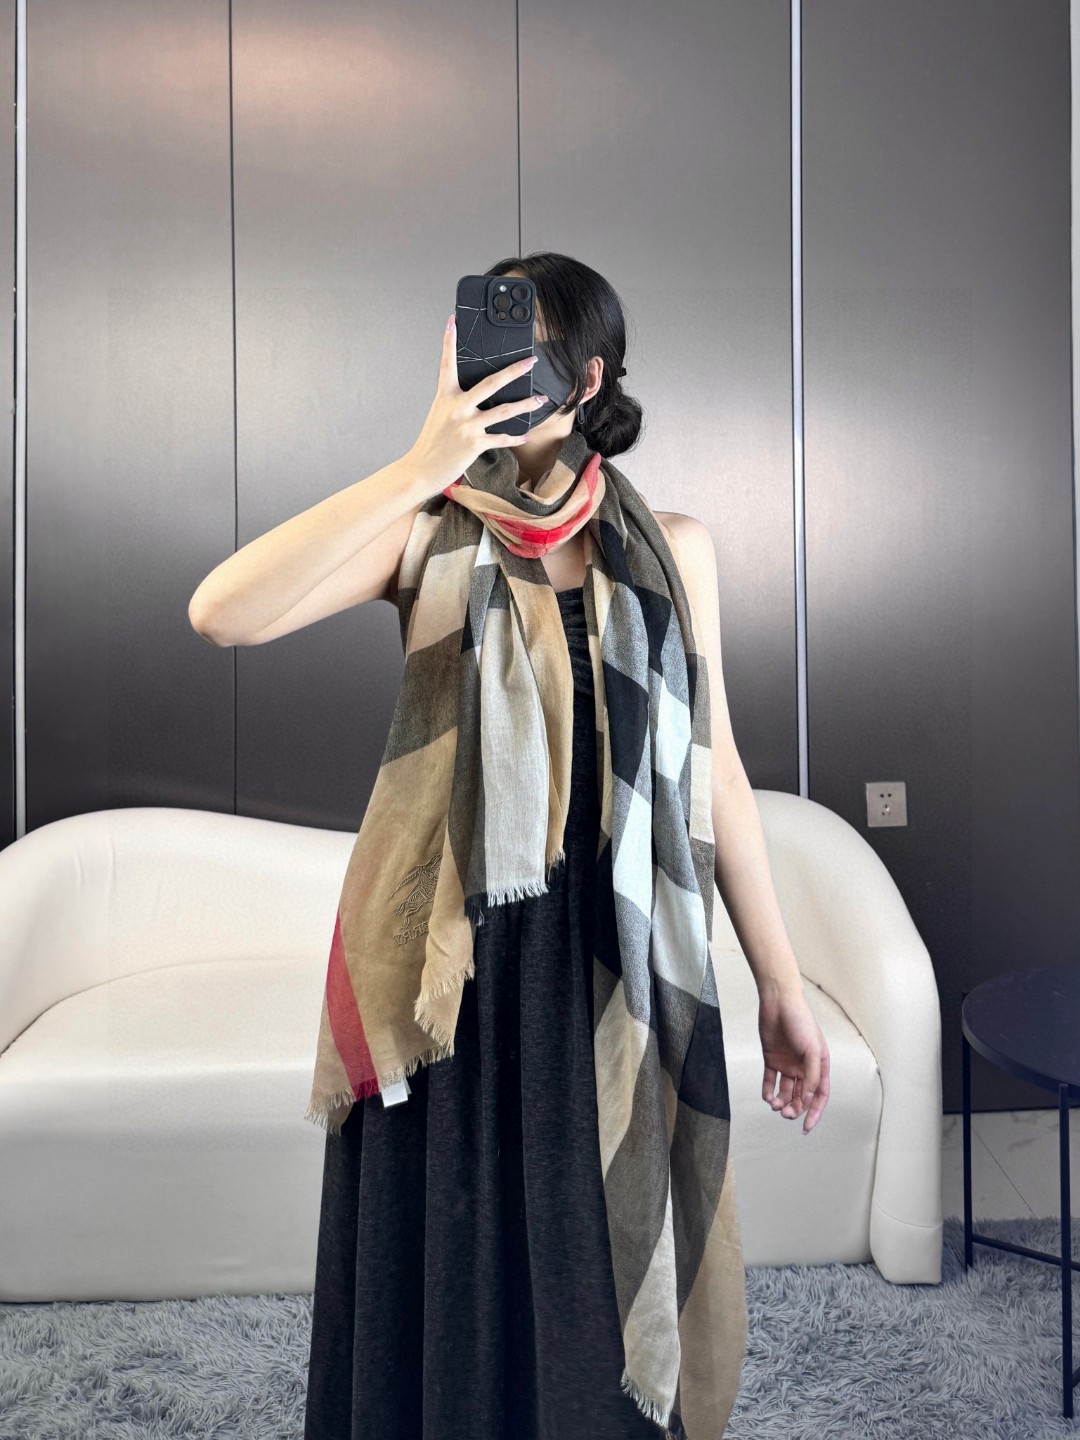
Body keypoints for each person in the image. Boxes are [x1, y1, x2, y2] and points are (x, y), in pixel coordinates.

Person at [189, 252, 830, 1439]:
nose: (492, 381)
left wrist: (782, 984)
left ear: (586, 382)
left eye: (523, 359)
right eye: (479, 354)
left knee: (594, 1280)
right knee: (456, 1282)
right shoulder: (427, 533)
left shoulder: (674, 548)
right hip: (456, 974)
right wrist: (416, 465)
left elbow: (718, 771)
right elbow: (221, 611)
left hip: (609, 971)